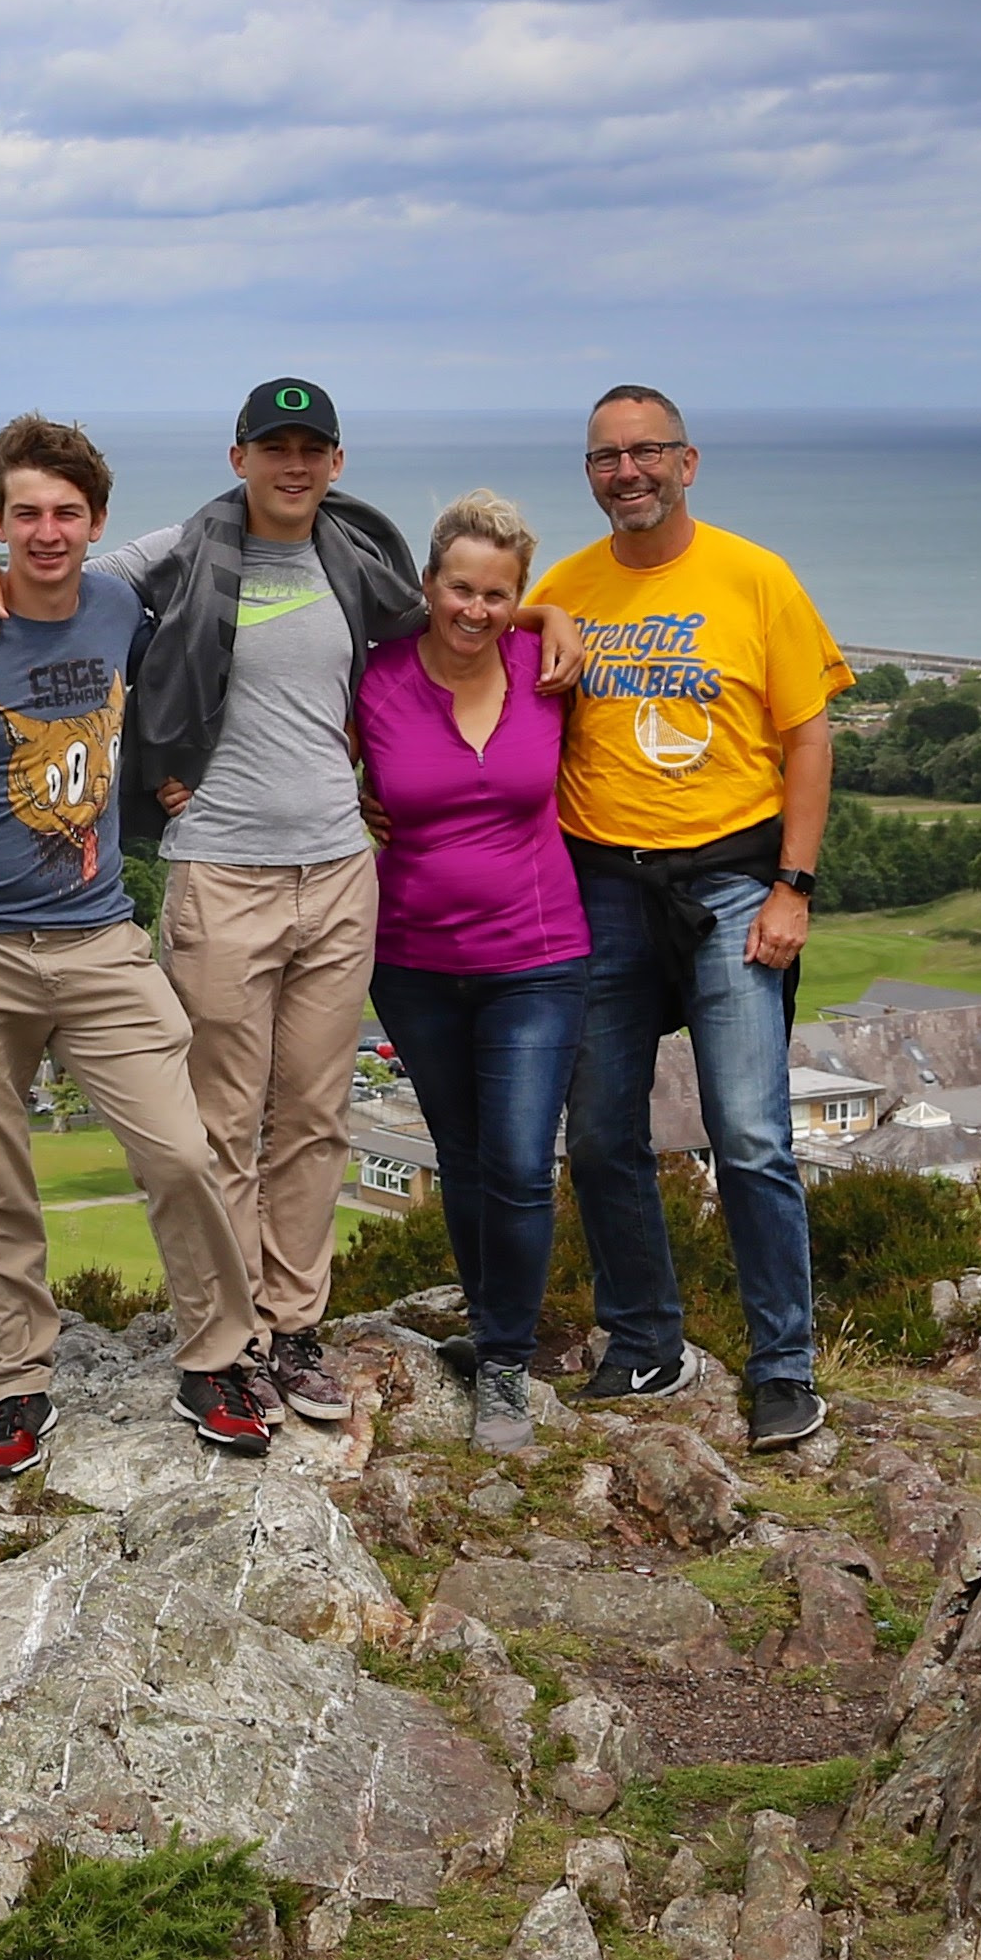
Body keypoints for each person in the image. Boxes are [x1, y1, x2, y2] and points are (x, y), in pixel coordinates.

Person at [0, 381, 576, 1424]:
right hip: (222, 869)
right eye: (272, 446)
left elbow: (455, 625)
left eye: (310, 448)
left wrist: (548, 608)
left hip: (335, 870)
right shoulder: (181, 551)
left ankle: (295, 1328)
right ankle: (228, 1345)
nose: (292, 464)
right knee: (223, 1122)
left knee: (316, 1117)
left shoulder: (354, 561)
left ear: (335, 461)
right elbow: (58, 579)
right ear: (238, 458)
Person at [0, 413, 273, 1486]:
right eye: (25, 513)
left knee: (181, 1152)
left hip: (95, 939)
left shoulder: (118, 603)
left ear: (95, 522)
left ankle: (216, 1359)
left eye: (66, 513)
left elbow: (235, 568)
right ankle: (17, 1390)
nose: (46, 532)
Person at [532, 386, 845, 1451]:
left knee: (751, 1134)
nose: (628, 472)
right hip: (600, 887)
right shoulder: (562, 590)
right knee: (604, 1135)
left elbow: (808, 738)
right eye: (607, 458)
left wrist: (794, 887)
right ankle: (645, 1343)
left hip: (733, 884)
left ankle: (783, 1369)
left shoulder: (756, 578)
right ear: (590, 473)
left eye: (647, 452)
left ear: (688, 461)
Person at [350, 491, 589, 1457]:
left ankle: (502, 1366)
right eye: (460, 588)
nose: (476, 610)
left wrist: (550, 616)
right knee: (460, 1155)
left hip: (537, 958)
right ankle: (488, 1327)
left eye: (500, 594)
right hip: (410, 962)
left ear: (518, 598)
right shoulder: (372, 682)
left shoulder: (549, 665)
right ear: (428, 586)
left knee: (522, 1166)